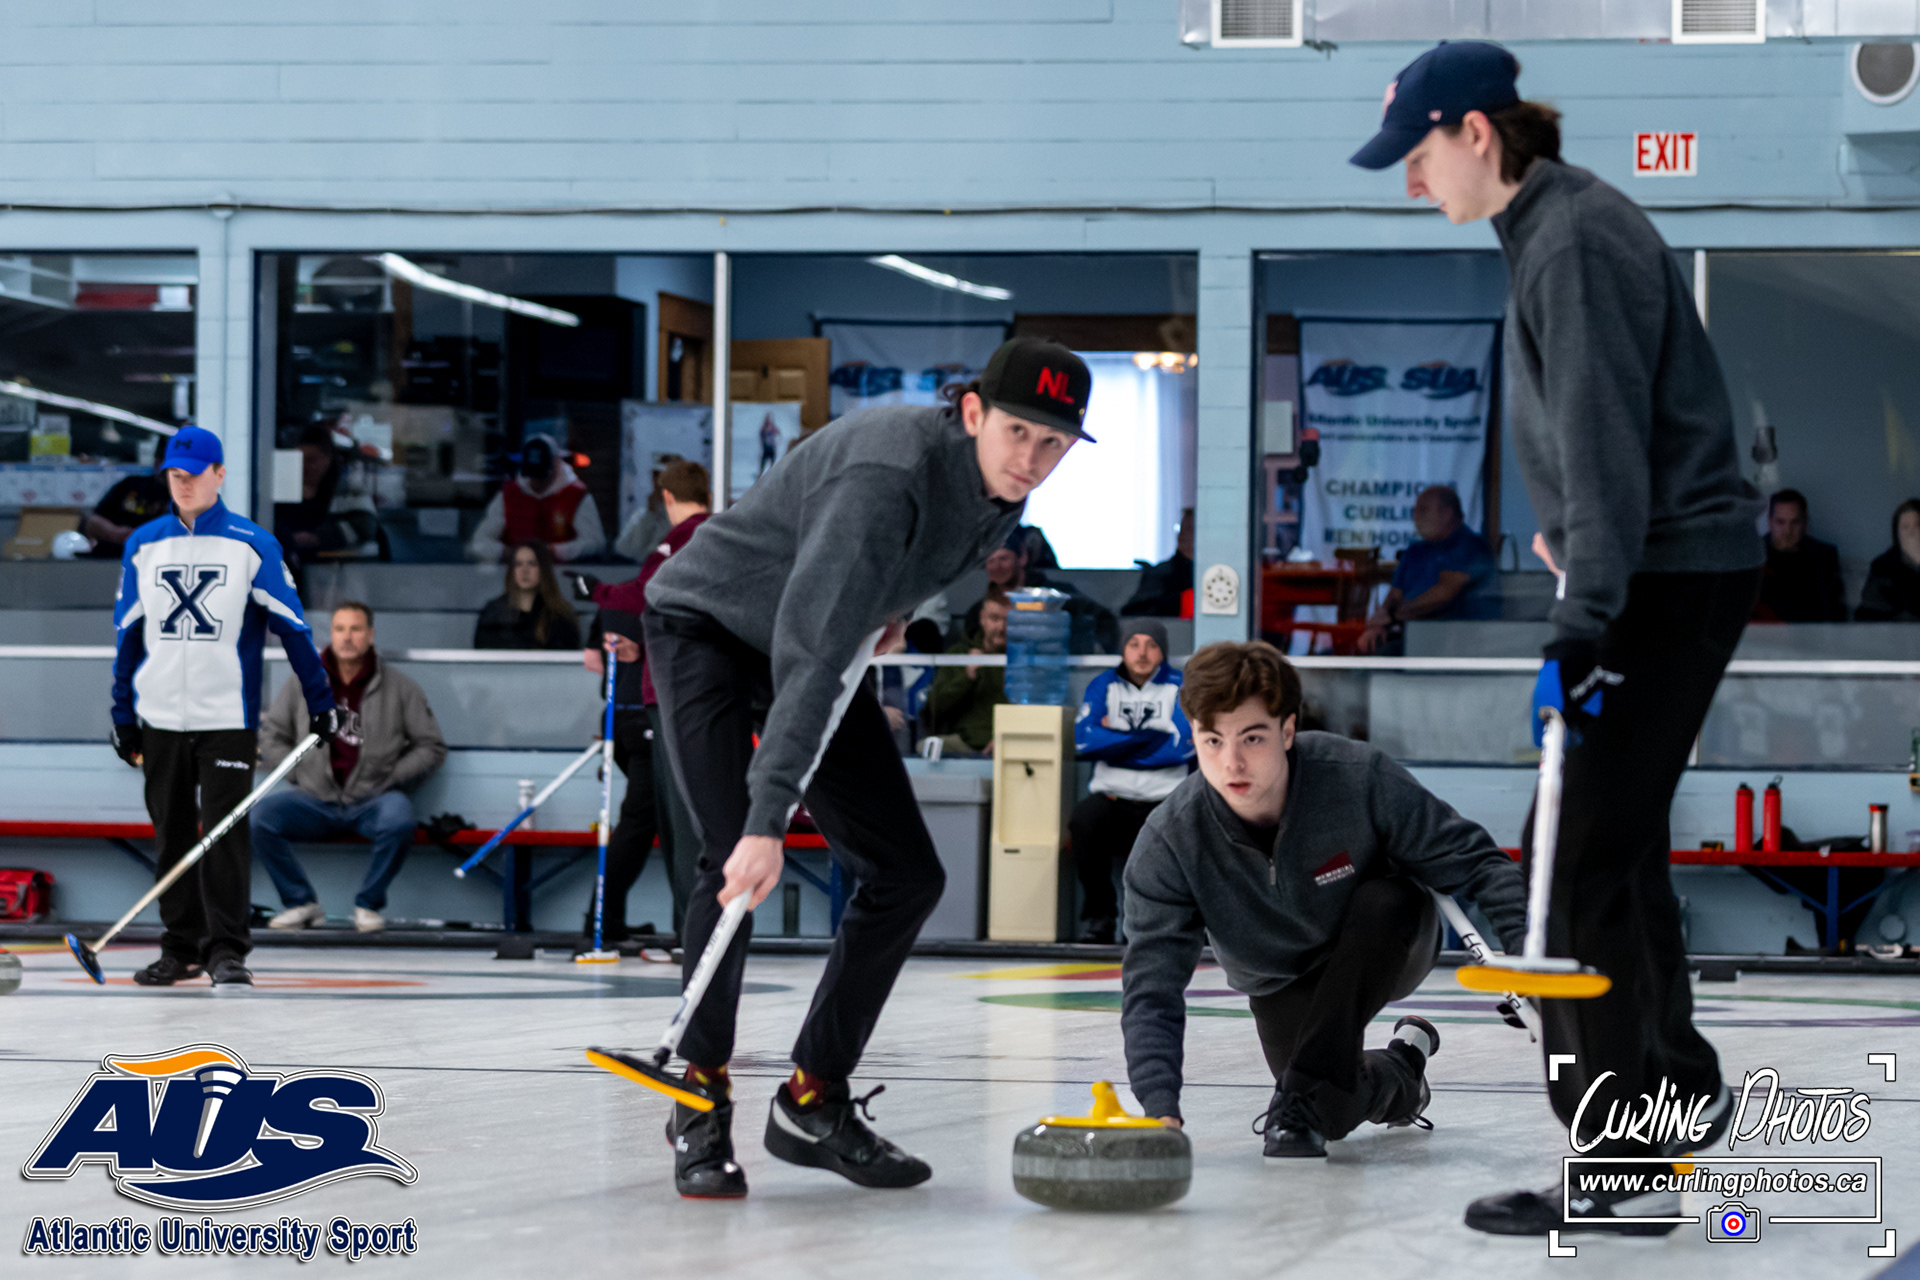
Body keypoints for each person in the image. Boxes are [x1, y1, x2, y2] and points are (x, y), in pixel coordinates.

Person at [1352, 40, 1762, 1234]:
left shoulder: (1571, 238)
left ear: (1477, 133)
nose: (1411, 178)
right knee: (1613, 852)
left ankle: (1622, 1156)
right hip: (1663, 570)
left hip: (1661, 582)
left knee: (1567, 861)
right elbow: (1607, 442)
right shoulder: (1550, 228)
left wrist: (1582, 622)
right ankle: (1675, 1087)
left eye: (1419, 153)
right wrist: (1578, 544)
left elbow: (1602, 442)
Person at [642, 337, 1095, 1197]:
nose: (1033, 459)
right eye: (1018, 433)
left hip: (812, 636)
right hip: (707, 626)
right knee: (730, 855)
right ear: (973, 413)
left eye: (1055, 443)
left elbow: (882, 586)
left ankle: (812, 1098)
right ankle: (699, 1094)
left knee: (906, 873)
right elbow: (811, 654)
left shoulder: (1001, 487)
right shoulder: (885, 476)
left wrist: (893, 610)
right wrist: (768, 821)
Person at [1122, 641, 1525, 1157]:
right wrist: (1160, 1110)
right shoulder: (1171, 841)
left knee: (1386, 901)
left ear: (1288, 730)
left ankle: (1305, 1091)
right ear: (1193, 736)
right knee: (1327, 1109)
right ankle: (1405, 1062)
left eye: (1252, 737)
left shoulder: (1356, 776)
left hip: (1386, 938)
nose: (1232, 762)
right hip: (1279, 979)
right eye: (1213, 740)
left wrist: (1526, 955)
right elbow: (1151, 986)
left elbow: (1479, 862)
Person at [108, 425, 340, 991]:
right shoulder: (144, 544)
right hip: (160, 715)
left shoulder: (252, 544)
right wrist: (122, 714)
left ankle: (227, 950)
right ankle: (180, 948)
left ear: (219, 474)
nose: (183, 484)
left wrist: (321, 701)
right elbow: (128, 637)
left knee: (224, 835)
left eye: (193, 475)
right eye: (174, 475)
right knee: (171, 834)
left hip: (228, 718)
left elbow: (293, 629)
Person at [570, 459, 713, 940]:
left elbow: (647, 591)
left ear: (666, 497)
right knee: (662, 816)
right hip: (686, 694)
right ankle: (664, 925)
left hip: (672, 701)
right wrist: (643, 649)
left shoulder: (683, 538)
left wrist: (598, 590)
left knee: (669, 820)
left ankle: (678, 928)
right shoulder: (719, 536)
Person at [254, 601, 447, 933]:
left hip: (372, 799)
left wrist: (393, 778)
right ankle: (300, 902)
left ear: (370, 635)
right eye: (340, 629)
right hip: (314, 798)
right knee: (260, 819)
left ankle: (368, 904)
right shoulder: (304, 681)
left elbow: (430, 746)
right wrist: (297, 773)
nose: (347, 637)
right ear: (330, 634)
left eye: (356, 629)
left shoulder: (399, 686)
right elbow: (272, 735)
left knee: (399, 818)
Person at [1068, 618, 1193, 943]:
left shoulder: (1180, 686)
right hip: (1113, 798)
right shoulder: (1103, 685)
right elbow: (1086, 742)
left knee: (1192, 837)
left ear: (1162, 651)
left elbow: (1181, 748)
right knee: (1083, 821)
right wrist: (1152, 736)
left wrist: (1117, 741)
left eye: (1151, 645)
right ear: (1123, 649)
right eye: (1133, 644)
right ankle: (1100, 918)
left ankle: (1167, 925)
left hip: (1165, 801)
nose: (1142, 652)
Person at [1358, 485, 1498, 653]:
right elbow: (1395, 595)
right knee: (1372, 655)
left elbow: (1444, 593)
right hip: (1413, 636)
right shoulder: (1415, 551)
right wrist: (1378, 623)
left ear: (1446, 514)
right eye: (1414, 511)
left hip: (1459, 642)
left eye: (1423, 510)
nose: (1416, 517)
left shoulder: (1469, 545)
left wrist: (1398, 614)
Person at [467, 434, 606, 564]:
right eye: (532, 474)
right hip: (515, 573)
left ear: (556, 464)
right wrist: (505, 552)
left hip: (561, 573)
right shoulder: (508, 495)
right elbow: (478, 542)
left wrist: (556, 551)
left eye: (541, 475)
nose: (536, 481)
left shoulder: (577, 496)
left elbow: (595, 543)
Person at [274, 421, 381, 568]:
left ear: (327, 458)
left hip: (334, 568)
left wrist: (318, 538)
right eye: (299, 460)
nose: (305, 466)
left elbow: (365, 526)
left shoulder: (345, 485)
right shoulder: (280, 487)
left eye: (311, 460)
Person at [926, 586, 1011, 757]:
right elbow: (934, 710)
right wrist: (967, 676)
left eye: (1008, 620)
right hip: (965, 744)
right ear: (982, 618)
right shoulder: (959, 654)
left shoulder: (1026, 659)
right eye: (994, 618)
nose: (1001, 627)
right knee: (925, 748)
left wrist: (1009, 738)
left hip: (1013, 742)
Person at [1754, 489, 1846, 622]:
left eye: (1795, 522)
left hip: (1810, 631)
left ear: (1805, 523)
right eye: (1780, 522)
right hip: (1765, 631)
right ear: (1770, 522)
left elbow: (1833, 611)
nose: (1787, 531)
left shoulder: (1822, 556)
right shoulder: (1755, 555)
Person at [473, 540, 583, 651]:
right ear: (512, 570)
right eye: (518, 564)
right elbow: (484, 651)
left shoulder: (559, 615)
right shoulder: (494, 612)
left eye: (532, 563)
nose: (524, 570)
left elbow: (565, 655)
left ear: (543, 570)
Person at [1119, 507, 1195, 617]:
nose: (1183, 534)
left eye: (1190, 529)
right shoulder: (1161, 572)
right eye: (1181, 529)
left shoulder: (1208, 573)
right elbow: (1133, 612)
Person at [81, 469, 171, 559]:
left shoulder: (176, 491)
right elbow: (96, 517)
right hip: (115, 546)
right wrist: (115, 532)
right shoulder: (131, 483)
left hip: (155, 549)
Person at [1857, 498, 1920, 621]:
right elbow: (1870, 612)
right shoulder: (1883, 567)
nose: (1911, 532)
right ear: (1897, 534)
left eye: (1917, 525)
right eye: (1905, 527)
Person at [612, 454, 683, 563]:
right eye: (656, 475)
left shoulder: (684, 517)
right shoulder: (643, 514)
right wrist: (650, 514)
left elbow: (654, 554)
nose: (659, 482)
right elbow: (624, 550)